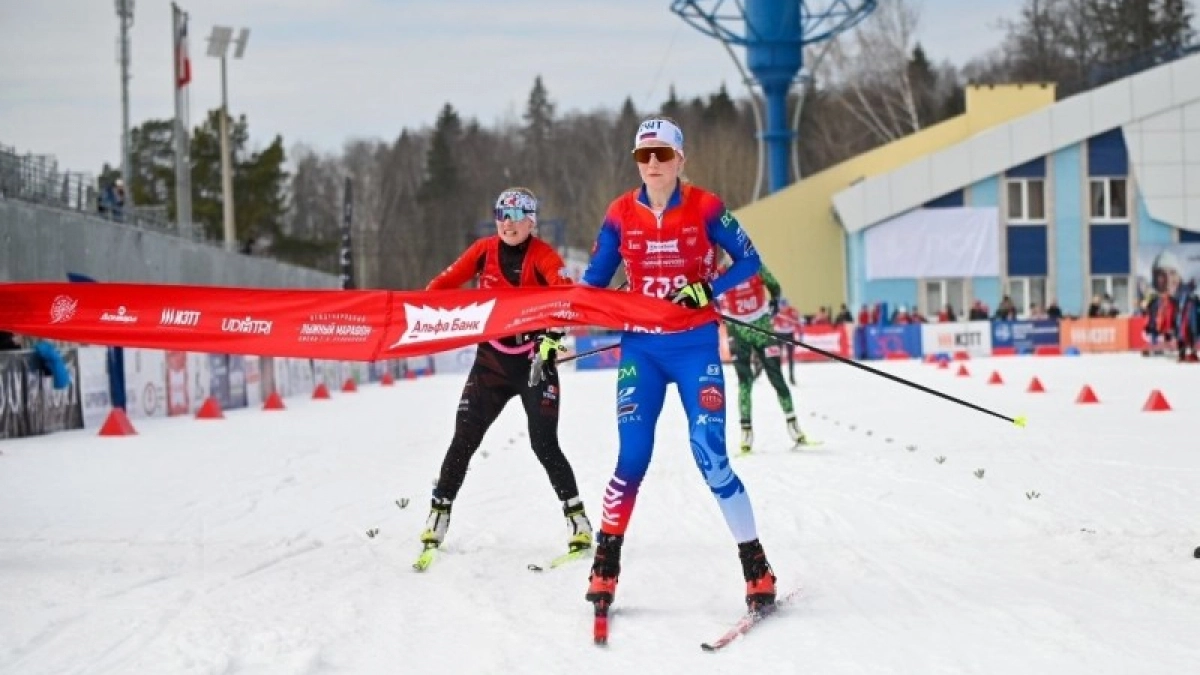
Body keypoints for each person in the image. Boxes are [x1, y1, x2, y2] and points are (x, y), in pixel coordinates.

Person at [578, 116, 778, 613]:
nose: (652, 164)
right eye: (644, 156)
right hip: (641, 351)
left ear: (679, 160)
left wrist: (709, 289)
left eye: (662, 155)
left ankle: (756, 565)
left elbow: (750, 261)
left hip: (695, 348)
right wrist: (556, 317)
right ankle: (605, 564)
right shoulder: (620, 212)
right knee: (632, 458)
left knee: (711, 455)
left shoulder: (706, 206)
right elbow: (593, 283)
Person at [418, 186, 594, 556]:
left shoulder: (544, 255)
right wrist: (416, 311)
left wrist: (552, 335)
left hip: (534, 361)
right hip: (492, 362)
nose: (508, 223)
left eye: (517, 215)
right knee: (464, 437)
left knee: (544, 444)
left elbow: (567, 297)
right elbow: (440, 287)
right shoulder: (483, 250)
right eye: (502, 214)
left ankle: (577, 519)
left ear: (532, 220)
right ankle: (438, 513)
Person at [720, 262, 806, 453]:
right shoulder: (719, 271)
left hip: (762, 327)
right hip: (737, 329)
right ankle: (746, 432)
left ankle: (793, 425)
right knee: (744, 381)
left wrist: (775, 299)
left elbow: (775, 286)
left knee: (776, 376)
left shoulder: (754, 265)